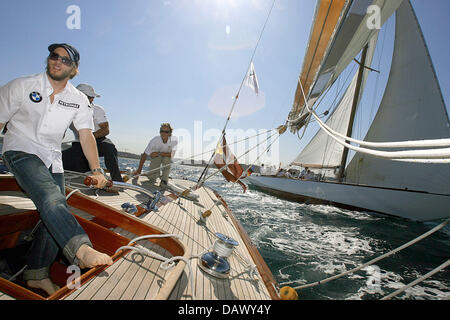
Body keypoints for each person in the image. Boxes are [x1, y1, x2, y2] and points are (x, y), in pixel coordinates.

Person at [0, 43, 113, 296]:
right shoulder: (22, 86)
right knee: (52, 198)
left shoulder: (79, 99)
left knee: (56, 208)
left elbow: (86, 135)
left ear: (74, 69)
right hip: (20, 149)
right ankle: (81, 250)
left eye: (65, 59)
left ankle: (37, 275)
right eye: (54, 56)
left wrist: (97, 169)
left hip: (52, 157)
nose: (57, 61)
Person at [62, 83, 123, 182]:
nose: (92, 100)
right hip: (79, 144)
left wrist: (88, 138)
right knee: (61, 160)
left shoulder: (97, 110)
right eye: (90, 97)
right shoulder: (67, 110)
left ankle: (117, 181)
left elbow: (105, 130)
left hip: (98, 140)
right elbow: (61, 132)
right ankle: (87, 170)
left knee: (109, 147)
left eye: (92, 97)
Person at [135, 123, 177, 188]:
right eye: (162, 131)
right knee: (151, 177)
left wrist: (159, 153)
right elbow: (144, 154)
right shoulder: (155, 140)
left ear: (170, 133)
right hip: (156, 157)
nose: (163, 133)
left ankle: (164, 180)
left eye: (166, 132)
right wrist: (139, 170)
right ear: (159, 132)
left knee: (167, 159)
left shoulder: (174, 140)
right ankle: (154, 176)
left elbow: (172, 154)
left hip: (166, 158)